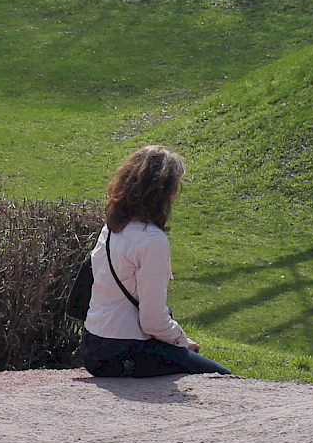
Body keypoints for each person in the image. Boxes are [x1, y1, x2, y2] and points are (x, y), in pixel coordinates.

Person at [80, 145, 231, 378]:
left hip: (92, 346)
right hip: (124, 351)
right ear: (163, 193)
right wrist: (182, 341)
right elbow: (152, 321)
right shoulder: (152, 241)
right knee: (222, 376)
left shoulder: (110, 229)